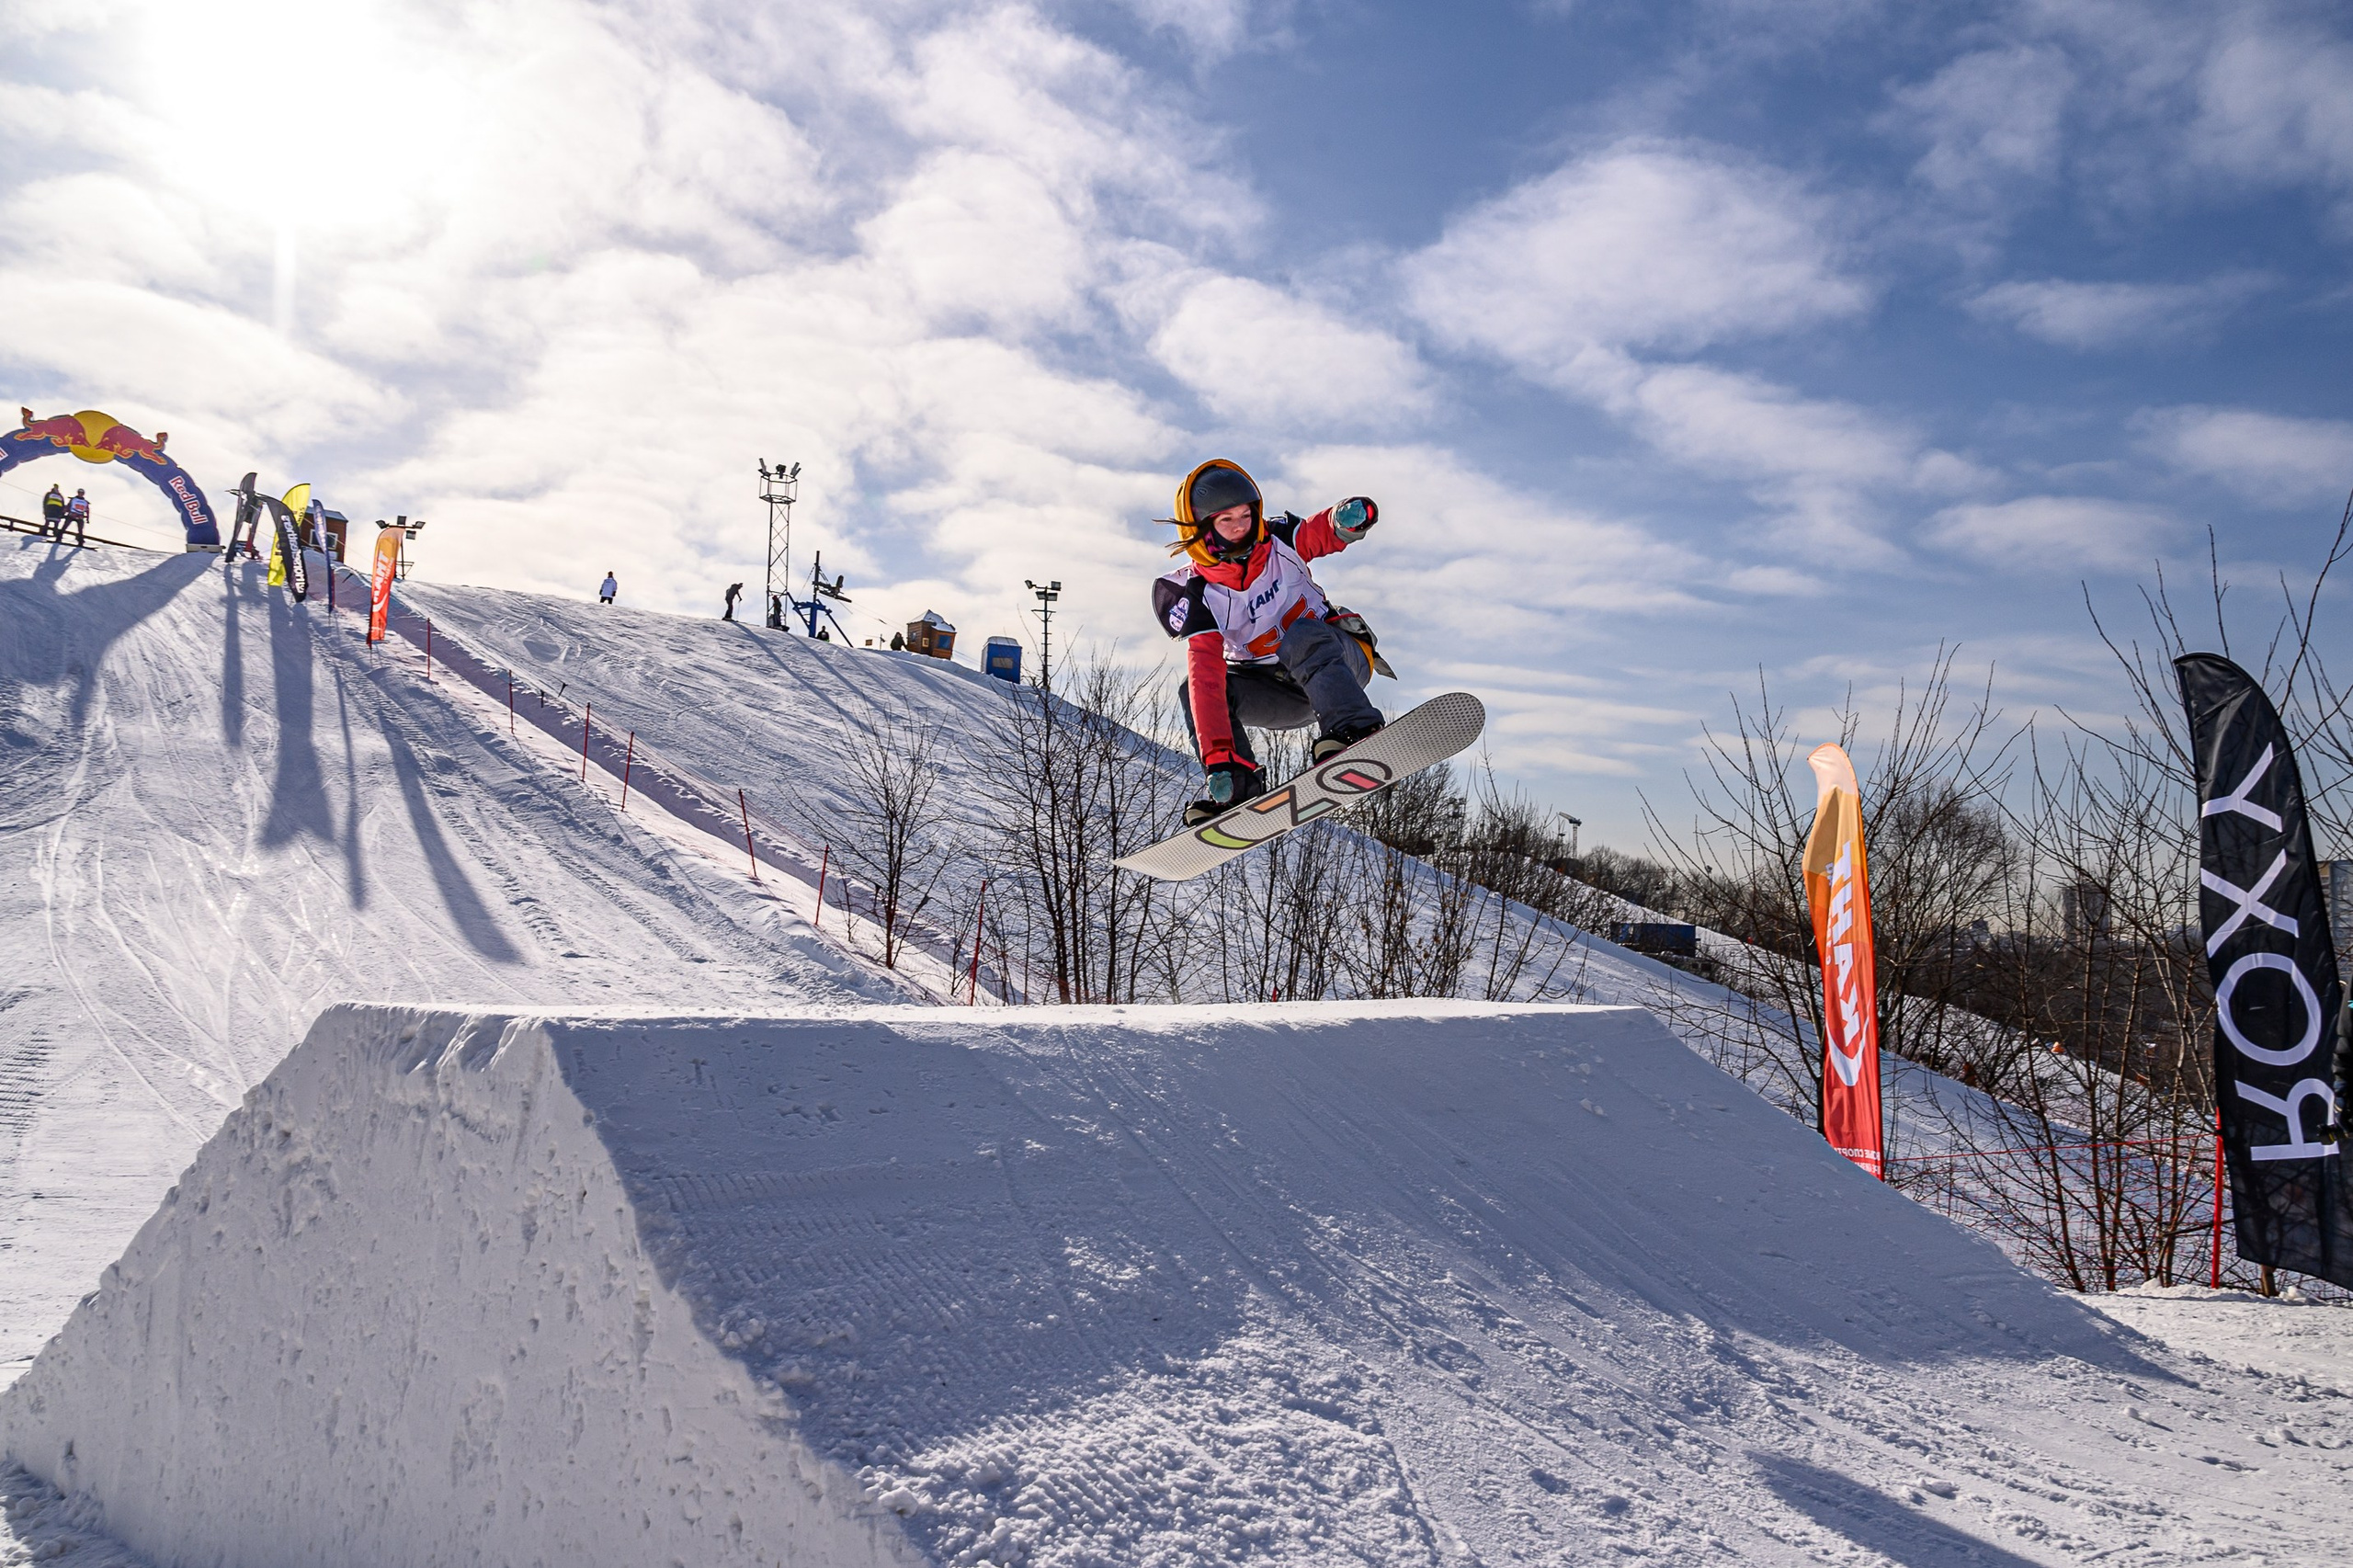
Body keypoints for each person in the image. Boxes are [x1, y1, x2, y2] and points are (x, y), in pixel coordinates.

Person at [1152, 459, 1388, 825]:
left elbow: (1317, 533)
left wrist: (1343, 522)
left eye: (1245, 516)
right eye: (1226, 521)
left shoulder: (1278, 541)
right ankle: (1238, 786)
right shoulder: (1196, 593)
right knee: (1192, 690)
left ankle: (1353, 726)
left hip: (1339, 665)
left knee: (1300, 634)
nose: (1240, 528)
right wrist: (1217, 761)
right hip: (1281, 695)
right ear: (1203, 528)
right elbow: (1207, 676)